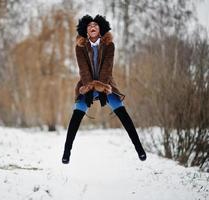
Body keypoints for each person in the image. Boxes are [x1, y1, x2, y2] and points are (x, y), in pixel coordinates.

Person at [62, 15, 147, 164]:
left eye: (95, 25)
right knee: (76, 114)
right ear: (86, 31)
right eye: (89, 26)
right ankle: (66, 152)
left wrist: (101, 88)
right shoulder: (80, 46)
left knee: (123, 113)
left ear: (100, 29)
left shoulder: (109, 45)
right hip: (86, 84)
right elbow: (83, 70)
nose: (92, 26)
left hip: (106, 84)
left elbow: (107, 68)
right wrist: (88, 88)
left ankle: (139, 149)